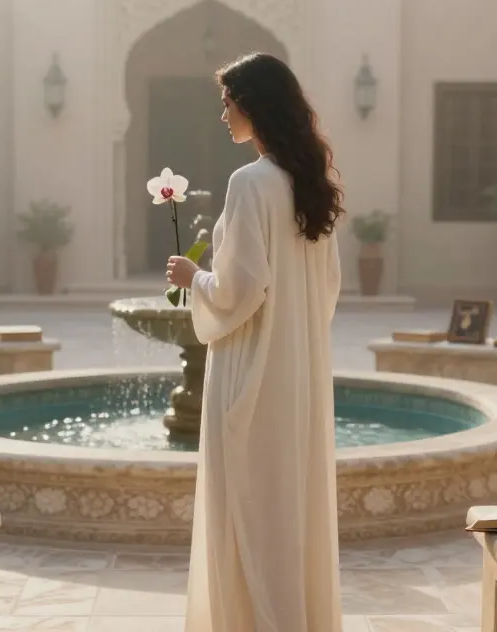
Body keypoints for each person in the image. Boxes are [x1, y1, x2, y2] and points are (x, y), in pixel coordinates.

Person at [165, 52, 345, 632]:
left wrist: (193, 278)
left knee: (246, 511)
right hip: (299, 374)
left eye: (227, 102)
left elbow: (241, 291)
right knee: (291, 512)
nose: (222, 114)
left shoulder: (249, 183)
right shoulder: (311, 183)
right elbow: (328, 288)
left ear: (251, 104)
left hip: (251, 370)